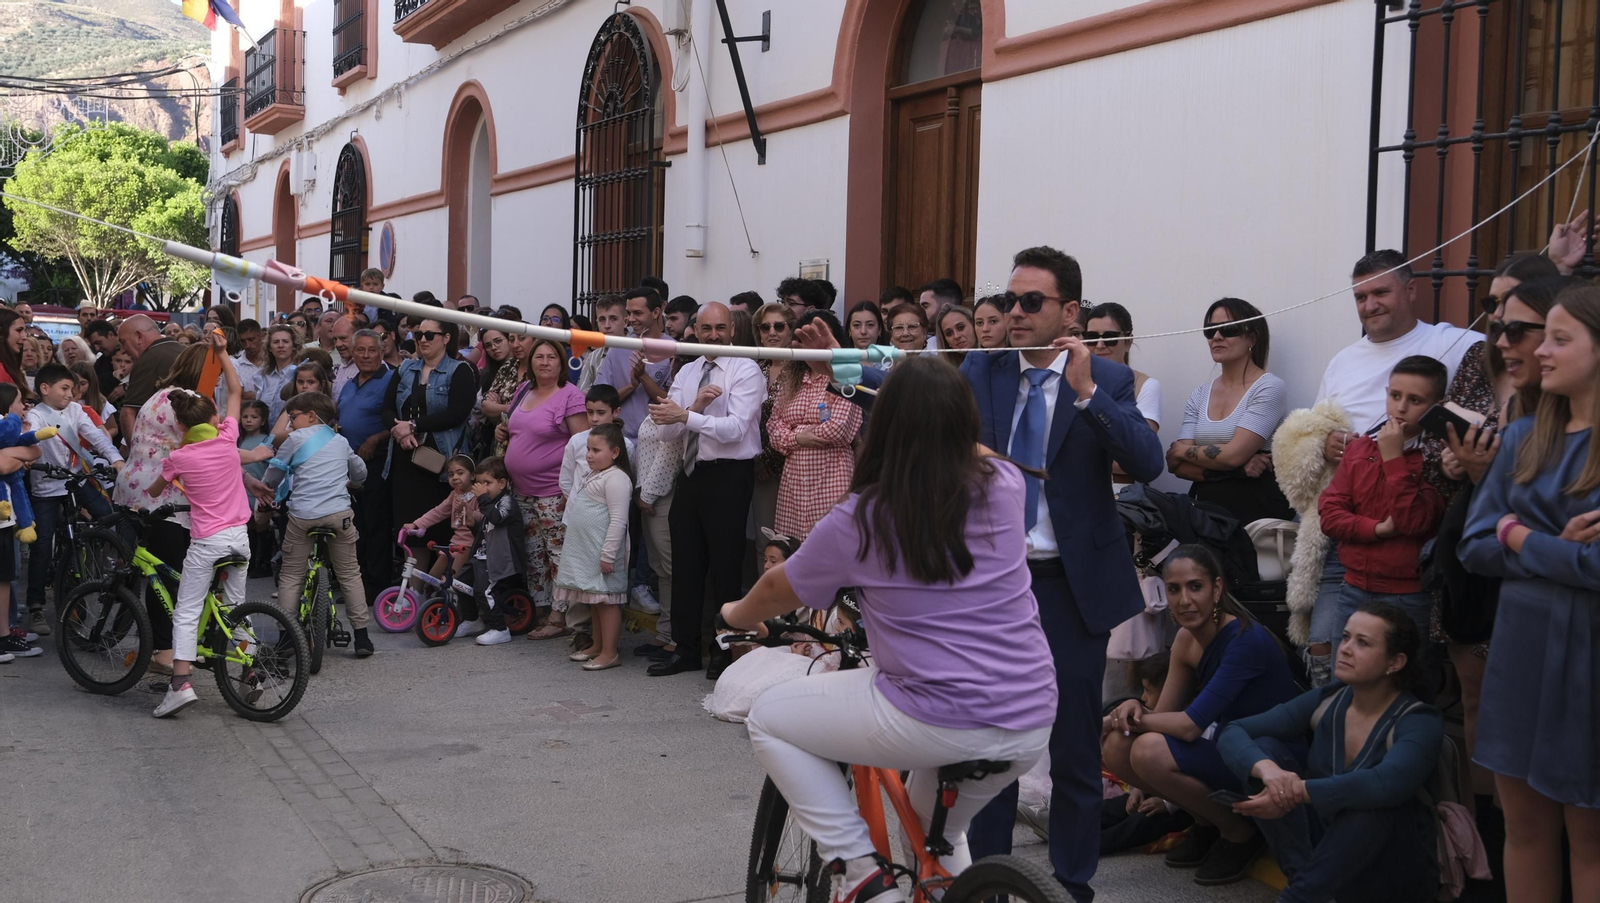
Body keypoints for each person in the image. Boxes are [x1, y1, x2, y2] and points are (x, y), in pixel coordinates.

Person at [724, 355, 1056, 900]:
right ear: (964, 423)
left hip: (934, 713)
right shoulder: (1003, 482)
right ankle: (947, 884)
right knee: (935, 834)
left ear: (885, 427)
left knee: (768, 719)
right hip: (1029, 714)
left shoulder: (862, 517)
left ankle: (860, 870)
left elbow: (776, 591)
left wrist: (731, 616)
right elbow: (975, 452)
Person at [961, 246, 1165, 903]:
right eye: (1009, 300)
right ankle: (990, 878)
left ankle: (1072, 883)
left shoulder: (1105, 377)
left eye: (1031, 302)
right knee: (994, 743)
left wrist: (1084, 392)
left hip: (1069, 587)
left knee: (1074, 744)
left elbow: (1146, 460)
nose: (1013, 314)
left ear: (1069, 311)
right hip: (995, 585)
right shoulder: (982, 368)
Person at [1281, 251, 1478, 690]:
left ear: (1411, 289)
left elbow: (1505, 371)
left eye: (1380, 292)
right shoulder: (1343, 360)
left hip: (1408, 551)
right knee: (1324, 654)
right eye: (1360, 296)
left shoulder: (1456, 341)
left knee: (1399, 672)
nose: (1369, 305)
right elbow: (1318, 425)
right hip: (1342, 533)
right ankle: (1334, 746)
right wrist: (1325, 441)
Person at [1460, 284, 1600, 902]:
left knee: (1589, 834)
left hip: (1588, 654)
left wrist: (1518, 535)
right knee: (1524, 826)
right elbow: (1474, 546)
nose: (1539, 350)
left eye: (1560, 339)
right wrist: (1555, 550)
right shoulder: (1520, 439)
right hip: (1520, 647)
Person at [1432, 273, 1573, 807]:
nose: (1500, 335)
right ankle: (1483, 829)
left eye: (1517, 326)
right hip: (1483, 580)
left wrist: (1517, 534)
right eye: (1494, 315)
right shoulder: (1495, 386)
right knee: (1479, 700)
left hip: (1559, 618)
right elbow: (1479, 544)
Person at [1217, 603, 1444, 903]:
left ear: (1395, 662)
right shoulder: (1328, 699)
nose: (1345, 648)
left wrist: (1296, 791)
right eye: (1346, 637)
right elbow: (1232, 732)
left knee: (1371, 805)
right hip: (1328, 856)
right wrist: (1269, 772)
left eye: (1362, 643)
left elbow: (1385, 784)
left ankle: (1300, 897)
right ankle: (1306, 886)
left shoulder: (1419, 721)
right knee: (1265, 752)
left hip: (1394, 871)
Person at [1100, 545, 1301, 886]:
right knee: (1121, 746)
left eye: (1195, 586)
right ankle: (1207, 823)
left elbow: (1190, 726)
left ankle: (1239, 834)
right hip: (1224, 749)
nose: (1184, 600)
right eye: (1174, 589)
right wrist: (1135, 711)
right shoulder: (1185, 639)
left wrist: (1124, 718)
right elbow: (1163, 716)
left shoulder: (1245, 639)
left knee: (1145, 748)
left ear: (1217, 589)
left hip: (1268, 757)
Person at [143, 334, 263, 717]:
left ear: (179, 425)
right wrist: (225, 353)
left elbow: (155, 489)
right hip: (239, 540)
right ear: (213, 419)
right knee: (235, 607)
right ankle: (250, 674)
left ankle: (180, 684)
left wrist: (165, 478)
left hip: (207, 541)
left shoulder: (179, 456)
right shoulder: (228, 439)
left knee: (187, 611)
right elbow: (235, 388)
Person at [646, 302, 764, 679]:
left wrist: (686, 415)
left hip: (729, 475)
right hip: (691, 474)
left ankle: (723, 651)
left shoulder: (746, 368)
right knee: (686, 565)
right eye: (706, 328)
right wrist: (690, 410)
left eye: (720, 328)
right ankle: (685, 650)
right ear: (694, 330)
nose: (713, 335)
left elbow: (735, 430)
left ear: (732, 328)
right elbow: (667, 431)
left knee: (726, 568)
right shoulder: (689, 369)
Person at [1317, 355, 1447, 656]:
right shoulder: (1361, 448)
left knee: (1404, 683)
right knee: (1345, 677)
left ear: (1437, 405)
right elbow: (1330, 515)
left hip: (1408, 595)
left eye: (1415, 400)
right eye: (1395, 396)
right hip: (1352, 588)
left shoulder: (1436, 456)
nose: (1400, 408)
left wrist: (1393, 459)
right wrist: (1376, 529)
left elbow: (1414, 522)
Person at [261, 391, 374, 658]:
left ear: (311, 416)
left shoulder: (294, 439)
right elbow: (359, 471)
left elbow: (275, 472)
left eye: (293, 418)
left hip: (303, 516)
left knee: (291, 576)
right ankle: (362, 637)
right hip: (339, 515)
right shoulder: (340, 440)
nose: (289, 425)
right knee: (349, 573)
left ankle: (287, 637)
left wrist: (267, 489)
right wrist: (354, 484)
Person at [1168, 298, 1294, 523]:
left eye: (1229, 329)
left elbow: (1234, 455)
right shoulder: (1200, 394)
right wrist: (1234, 472)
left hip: (1254, 515)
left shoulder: (1268, 387)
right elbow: (1176, 466)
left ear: (1252, 338)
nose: (1216, 336)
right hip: (1207, 514)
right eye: (1210, 330)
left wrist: (1184, 452)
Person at [23, 363, 123, 634]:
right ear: (45, 389)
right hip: (46, 486)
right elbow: (26, 439)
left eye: (72, 389)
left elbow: (97, 438)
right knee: (43, 543)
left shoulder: (76, 410)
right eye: (64, 388)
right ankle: (35, 605)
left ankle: (109, 571)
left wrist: (116, 460)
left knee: (107, 515)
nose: (70, 394)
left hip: (76, 479)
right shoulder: (35, 416)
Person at [500, 337, 587, 639]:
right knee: (534, 556)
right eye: (539, 356)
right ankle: (539, 609)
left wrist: (573, 492)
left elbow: (582, 445)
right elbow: (515, 427)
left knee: (558, 556)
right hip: (522, 491)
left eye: (552, 357)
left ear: (562, 363)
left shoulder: (570, 395)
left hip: (554, 492)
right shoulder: (524, 390)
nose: (545, 362)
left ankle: (559, 617)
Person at [383, 318, 477, 565]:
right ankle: (413, 594)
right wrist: (399, 431)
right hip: (406, 461)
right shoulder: (405, 369)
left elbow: (458, 413)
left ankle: (440, 593)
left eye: (429, 335)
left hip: (441, 464)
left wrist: (413, 426)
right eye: (418, 335)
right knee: (411, 530)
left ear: (446, 338)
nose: (422, 340)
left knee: (441, 531)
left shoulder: (460, 371)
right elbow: (386, 407)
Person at [767, 311, 863, 539]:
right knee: (792, 551)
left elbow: (839, 429)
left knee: (832, 546)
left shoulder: (846, 375)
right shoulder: (792, 378)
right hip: (794, 481)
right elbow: (773, 427)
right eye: (806, 340)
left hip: (832, 476)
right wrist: (798, 438)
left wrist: (792, 431)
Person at [555, 422, 633, 670]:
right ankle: (598, 645)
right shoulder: (597, 474)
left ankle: (610, 652)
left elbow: (619, 520)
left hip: (603, 553)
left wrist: (608, 554)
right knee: (596, 600)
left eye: (596, 450)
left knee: (608, 601)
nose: (589, 455)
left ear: (615, 452)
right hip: (589, 552)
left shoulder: (617, 479)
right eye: (588, 449)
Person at [459, 456, 527, 647]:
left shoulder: (507, 502)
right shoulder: (489, 504)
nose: (482, 488)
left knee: (484, 590)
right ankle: (472, 620)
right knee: (460, 583)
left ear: (502, 483)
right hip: (482, 556)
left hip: (500, 560)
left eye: (487, 483)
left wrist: (481, 499)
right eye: (479, 483)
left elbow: (497, 518)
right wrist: (473, 525)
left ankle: (500, 629)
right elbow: (487, 532)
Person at [600, 287, 674, 442]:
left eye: (638, 313)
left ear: (656, 313)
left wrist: (643, 377)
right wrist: (631, 386)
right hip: (619, 439)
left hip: (657, 441)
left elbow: (673, 403)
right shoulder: (618, 347)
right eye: (629, 313)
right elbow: (602, 400)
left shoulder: (672, 349)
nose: (631, 319)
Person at [1081, 302, 1161, 432]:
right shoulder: (1074, 381)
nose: (1100, 345)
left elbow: (1142, 443)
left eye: (1110, 337)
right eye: (1092, 337)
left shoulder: (1145, 385)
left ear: (1128, 342)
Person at [117, 314, 184, 445]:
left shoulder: (148, 360)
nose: (123, 350)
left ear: (138, 336)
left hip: (161, 449)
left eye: (123, 342)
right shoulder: (187, 352)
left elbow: (129, 413)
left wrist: (135, 455)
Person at [255, 324, 301, 427]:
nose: (281, 345)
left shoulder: (300, 374)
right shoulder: (262, 375)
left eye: (285, 341)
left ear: (293, 346)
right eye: (276, 342)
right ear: (270, 348)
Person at [577, 296, 626, 391]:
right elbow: (581, 394)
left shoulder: (638, 351)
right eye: (602, 319)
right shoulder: (592, 358)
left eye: (613, 319)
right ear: (597, 322)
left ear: (626, 321)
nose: (607, 325)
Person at [84, 319, 122, 403]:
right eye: (94, 345)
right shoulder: (99, 363)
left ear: (110, 335)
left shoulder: (134, 353)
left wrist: (127, 387)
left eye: (99, 342)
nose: (97, 349)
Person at [328, 315, 358, 399]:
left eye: (343, 338)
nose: (338, 344)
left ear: (358, 336)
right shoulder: (342, 367)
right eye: (335, 339)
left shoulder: (372, 365)